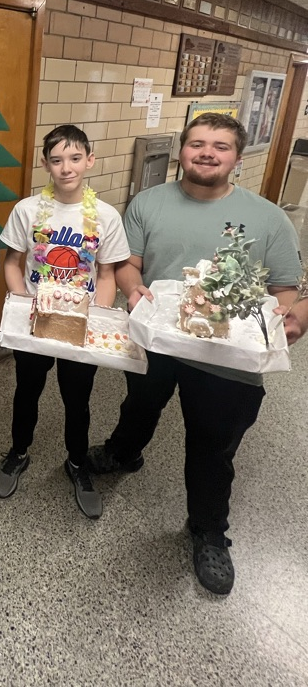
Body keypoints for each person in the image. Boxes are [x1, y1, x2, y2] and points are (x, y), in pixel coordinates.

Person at [86, 113, 307, 594]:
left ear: (237, 157)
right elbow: (130, 264)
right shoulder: (148, 203)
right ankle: (124, 453)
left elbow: (287, 288)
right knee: (140, 405)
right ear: (183, 151)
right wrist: (132, 286)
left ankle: (208, 531)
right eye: (198, 144)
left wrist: (296, 316)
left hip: (227, 356)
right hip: (159, 339)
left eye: (221, 146)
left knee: (213, 444)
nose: (208, 152)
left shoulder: (269, 218)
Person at [0, 125, 130, 518]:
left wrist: (94, 322)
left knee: (77, 399)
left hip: (79, 323)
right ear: (45, 164)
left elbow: (106, 275)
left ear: (90, 159)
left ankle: (77, 462)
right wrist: (21, 303)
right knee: (27, 391)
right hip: (36, 320)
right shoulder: (28, 210)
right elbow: (13, 263)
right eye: (56, 160)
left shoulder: (105, 216)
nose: (66, 168)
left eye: (74, 158)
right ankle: (19, 452)